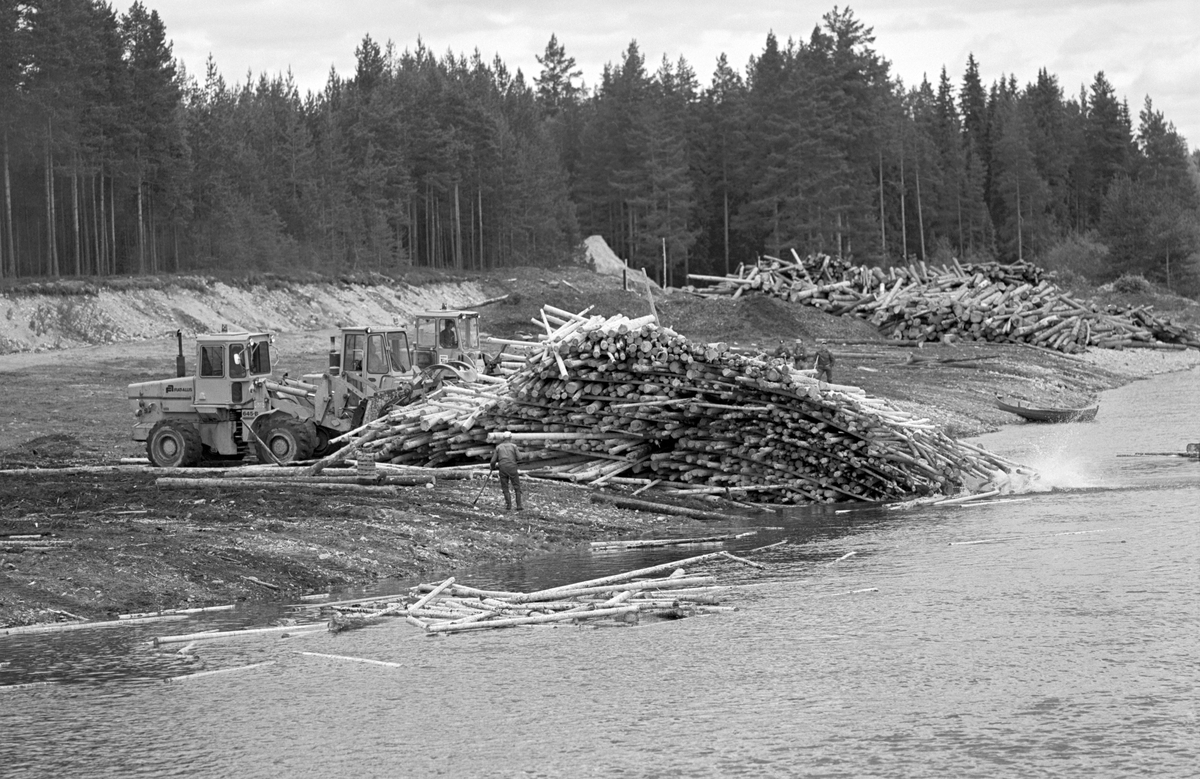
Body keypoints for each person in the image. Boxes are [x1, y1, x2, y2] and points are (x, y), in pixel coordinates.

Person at [489, 431, 523, 511]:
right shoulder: (514, 446)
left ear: (503, 439)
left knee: (505, 487)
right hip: (512, 468)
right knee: (517, 487)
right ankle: (519, 505)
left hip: (503, 468)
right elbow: (520, 458)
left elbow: (493, 461)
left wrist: (492, 467)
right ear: (510, 438)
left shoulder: (499, 447)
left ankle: (508, 506)